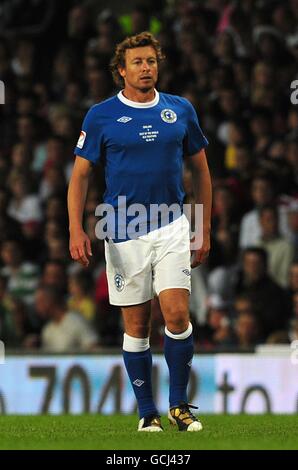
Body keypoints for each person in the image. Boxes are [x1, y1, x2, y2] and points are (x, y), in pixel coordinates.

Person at [68, 32, 212, 432]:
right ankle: (146, 411)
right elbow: (80, 176)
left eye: (151, 61)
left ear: (158, 65)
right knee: (136, 326)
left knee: (178, 315)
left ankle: (179, 406)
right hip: (122, 229)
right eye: (137, 62)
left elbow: (201, 171)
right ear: (121, 70)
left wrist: (203, 228)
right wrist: (75, 229)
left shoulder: (179, 110)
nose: (146, 68)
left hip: (171, 225)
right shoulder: (100, 116)